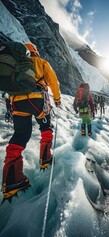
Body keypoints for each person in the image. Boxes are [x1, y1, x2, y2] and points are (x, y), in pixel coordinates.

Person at [2, 43, 61, 202]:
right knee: (45, 127)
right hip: (35, 100)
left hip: (16, 102)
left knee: (21, 134)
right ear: (35, 51)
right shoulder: (41, 62)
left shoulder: (17, 62)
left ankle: (11, 180)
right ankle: (45, 158)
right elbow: (53, 81)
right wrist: (57, 99)